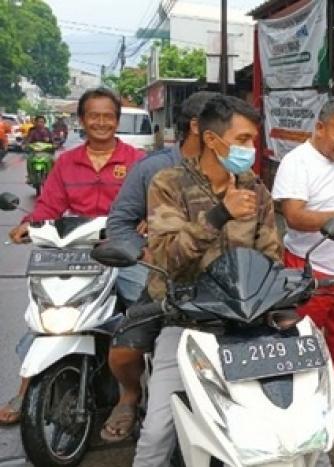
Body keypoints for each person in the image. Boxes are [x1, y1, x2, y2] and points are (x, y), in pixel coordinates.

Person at [133, 95, 281, 466]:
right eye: (244, 139)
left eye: (254, 140)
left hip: (245, 326)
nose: (252, 148)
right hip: (186, 323)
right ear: (213, 141)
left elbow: (270, 256)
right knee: (155, 436)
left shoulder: (256, 189)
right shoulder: (169, 184)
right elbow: (168, 259)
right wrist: (218, 215)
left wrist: (285, 289)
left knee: (286, 424)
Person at [0, 87, 144, 425]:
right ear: (81, 120)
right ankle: (25, 388)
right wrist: (27, 225)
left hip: (123, 252)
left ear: (117, 121)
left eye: (108, 116)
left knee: (143, 312)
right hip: (74, 253)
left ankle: (131, 394)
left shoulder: (136, 162)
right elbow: (49, 205)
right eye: (93, 115)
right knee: (47, 310)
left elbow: (153, 201)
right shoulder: (66, 163)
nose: (101, 122)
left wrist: (148, 220)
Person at [99, 91, 219, 443]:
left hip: (221, 284)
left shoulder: (234, 173)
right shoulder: (153, 168)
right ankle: (129, 396)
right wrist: (146, 253)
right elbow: (120, 223)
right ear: (198, 128)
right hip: (166, 281)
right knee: (123, 351)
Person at [272, 96, 334, 403]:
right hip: (308, 268)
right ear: (319, 127)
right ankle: (301, 395)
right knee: (301, 336)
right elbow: (295, 217)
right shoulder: (297, 162)